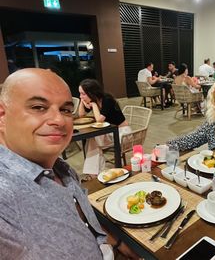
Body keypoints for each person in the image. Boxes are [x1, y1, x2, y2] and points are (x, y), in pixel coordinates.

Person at [0, 68, 138, 259]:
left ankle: (94, 171)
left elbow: (83, 220)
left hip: (122, 134)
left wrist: (118, 242)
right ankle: (94, 171)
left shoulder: (61, 168)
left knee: (93, 142)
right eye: (38, 107)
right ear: (2, 115)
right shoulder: (5, 194)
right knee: (93, 142)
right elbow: (82, 116)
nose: (58, 119)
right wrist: (84, 103)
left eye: (65, 109)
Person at [78, 79, 132, 178]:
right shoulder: (93, 99)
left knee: (93, 140)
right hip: (110, 132)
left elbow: (99, 120)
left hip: (122, 133)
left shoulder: (107, 100)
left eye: (83, 94)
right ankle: (96, 173)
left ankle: (94, 173)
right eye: (80, 94)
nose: (81, 96)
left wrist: (93, 104)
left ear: (91, 93)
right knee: (92, 140)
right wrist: (82, 101)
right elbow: (81, 114)